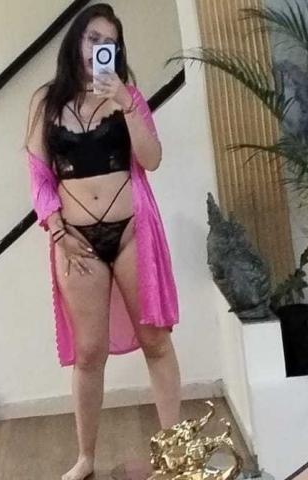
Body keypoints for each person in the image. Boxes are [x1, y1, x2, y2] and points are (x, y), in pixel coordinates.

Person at [24, 4, 181, 479]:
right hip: (76, 241)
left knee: (156, 341)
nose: (99, 49)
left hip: (132, 233)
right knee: (89, 352)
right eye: (93, 38)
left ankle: (175, 452)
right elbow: (39, 178)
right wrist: (56, 231)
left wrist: (127, 105)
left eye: (109, 42)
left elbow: (152, 159)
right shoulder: (46, 102)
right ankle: (86, 458)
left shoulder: (128, 96)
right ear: (76, 41)